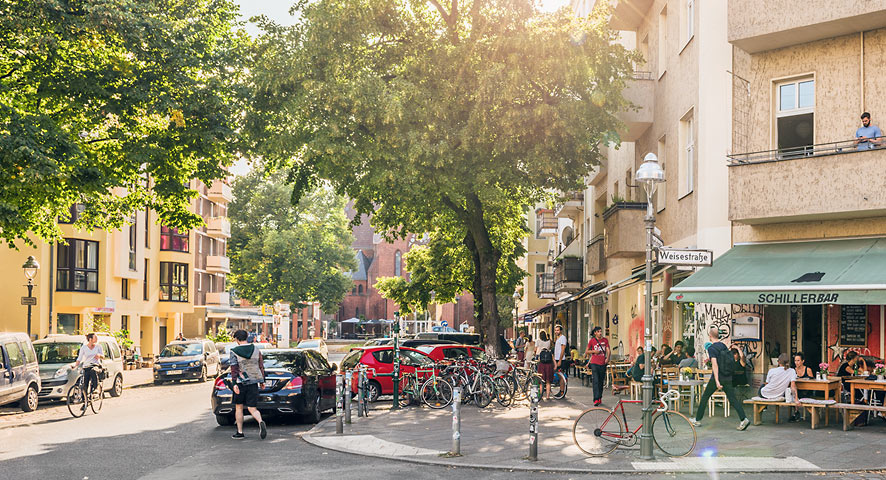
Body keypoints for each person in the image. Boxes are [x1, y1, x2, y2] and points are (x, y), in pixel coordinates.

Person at [692, 327, 750, 431]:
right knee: (732, 399)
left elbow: (715, 365)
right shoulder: (723, 346)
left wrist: (717, 381)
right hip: (728, 376)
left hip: (717, 377)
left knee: (705, 397)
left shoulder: (712, 348)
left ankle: (697, 420)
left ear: (710, 336)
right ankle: (743, 419)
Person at [230, 329, 267, 440]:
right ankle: (260, 421)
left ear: (237, 339)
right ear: (247, 337)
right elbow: (261, 365)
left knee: (239, 407)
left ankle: (240, 432)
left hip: (241, 382)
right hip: (254, 381)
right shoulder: (256, 349)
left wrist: (234, 383)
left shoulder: (234, 351)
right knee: (252, 408)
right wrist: (262, 381)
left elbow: (234, 368)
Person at [584, 326, 610, 406]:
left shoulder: (605, 340)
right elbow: (587, 351)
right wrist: (594, 351)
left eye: (600, 331)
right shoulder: (592, 341)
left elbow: (608, 350)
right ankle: (595, 399)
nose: (600, 333)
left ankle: (599, 397)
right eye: (598, 331)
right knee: (595, 381)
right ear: (595, 333)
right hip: (594, 363)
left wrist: (607, 359)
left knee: (601, 381)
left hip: (602, 363)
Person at [73, 333, 104, 398]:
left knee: (93, 371)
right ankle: (85, 401)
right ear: (90, 339)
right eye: (95, 338)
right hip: (86, 366)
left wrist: (99, 355)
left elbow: (103, 356)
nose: (97, 339)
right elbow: (79, 358)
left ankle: (96, 388)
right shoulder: (84, 348)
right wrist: (75, 366)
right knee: (85, 384)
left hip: (95, 365)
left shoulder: (98, 347)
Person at [790, 352, 815, 422]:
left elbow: (813, 382)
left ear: (803, 361)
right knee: (791, 393)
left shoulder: (808, 370)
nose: (796, 362)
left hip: (807, 391)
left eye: (798, 360)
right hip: (797, 391)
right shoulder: (793, 371)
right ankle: (796, 412)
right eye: (795, 360)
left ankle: (796, 413)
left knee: (795, 395)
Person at [535, 331, 553, 401]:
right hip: (548, 360)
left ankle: (541, 395)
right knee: (548, 380)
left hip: (540, 359)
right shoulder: (548, 341)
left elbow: (535, 349)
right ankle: (548, 396)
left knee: (541, 379)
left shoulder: (538, 341)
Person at [552, 325, 568, 399]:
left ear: (561, 331)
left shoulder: (563, 338)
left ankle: (562, 391)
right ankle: (561, 390)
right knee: (558, 375)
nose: (556, 332)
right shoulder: (557, 338)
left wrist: (560, 360)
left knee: (561, 376)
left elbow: (563, 349)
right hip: (556, 358)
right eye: (555, 330)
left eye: (558, 330)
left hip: (561, 359)